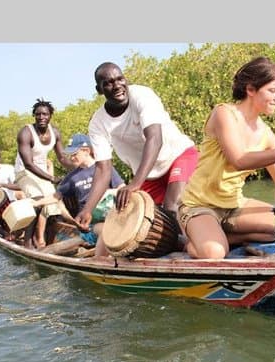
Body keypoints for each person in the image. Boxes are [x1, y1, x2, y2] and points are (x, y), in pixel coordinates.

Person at [75, 62, 199, 235]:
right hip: (149, 174)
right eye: (108, 83)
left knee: (172, 207)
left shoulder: (142, 95)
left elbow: (155, 139)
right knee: (143, 222)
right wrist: (88, 209)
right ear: (99, 90)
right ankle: (180, 245)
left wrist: (134, 184)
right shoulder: (98, 123)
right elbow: (103, 169)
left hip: (178, 156)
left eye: (120, 79)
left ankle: (194, 245)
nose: (117, 86)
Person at [178, 57, 275, 259]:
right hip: (199, 205)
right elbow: (239, 160)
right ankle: (194, 242)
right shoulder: (224, 113)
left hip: (235, 205)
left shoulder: (266, 134)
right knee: (215, 253)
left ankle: (222, 236)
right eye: (273, 90)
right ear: (251, 89)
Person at [52, 133, 125, 255]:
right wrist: (34, 203)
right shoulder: (72, 177)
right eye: (70, 155)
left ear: (86, 151)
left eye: (74, 154)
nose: (71, 158)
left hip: (112, 217)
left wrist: (108, 193)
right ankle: (99, 260)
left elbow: (122, 189)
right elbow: (55, 197)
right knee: (106, 230)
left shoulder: (106, 168)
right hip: (90, 225)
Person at [15, 98, 73, 248]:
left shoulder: (55, 133)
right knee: (38, 200)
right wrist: (51, 178)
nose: (41, 117)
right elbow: (28, 164)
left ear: (50, 116)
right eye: (38, 114)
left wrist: (77, 169)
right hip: (24, 172)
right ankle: (28, 242)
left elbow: (62, 158)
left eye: (45, 114)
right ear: (34, 115)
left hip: (42, 172)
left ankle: (45, 238)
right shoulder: (26, 133)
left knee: (52, 203)